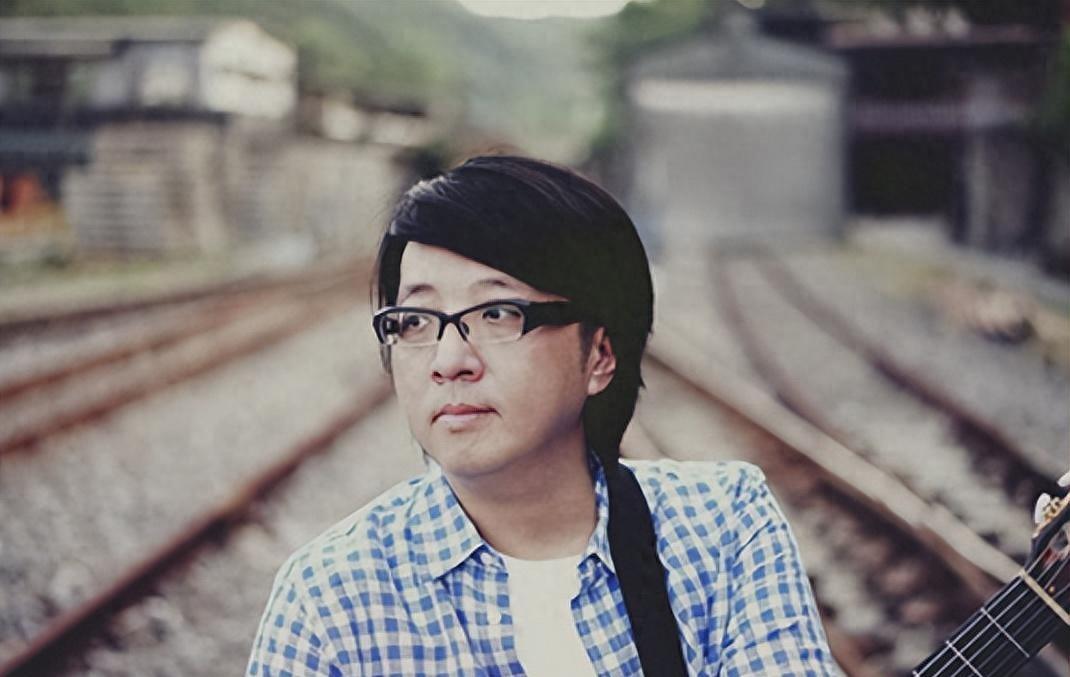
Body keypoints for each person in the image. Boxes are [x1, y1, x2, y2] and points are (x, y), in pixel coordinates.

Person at [247, 155, 837, 675]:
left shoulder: (720, 527)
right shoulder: (330, 600)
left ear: (600, 355)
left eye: (497, 314)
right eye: (415, 321)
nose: (449, 361)